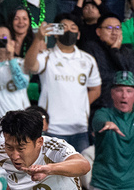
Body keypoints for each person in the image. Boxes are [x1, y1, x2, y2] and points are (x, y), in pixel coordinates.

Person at [23, 15, 100, 151]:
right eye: (63, 27)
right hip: (52, 129)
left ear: (78, 35)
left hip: (79, 129)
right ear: (55, 33)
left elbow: (96, 89)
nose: (68, 31)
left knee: (80, 165)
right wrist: (38, 38)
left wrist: (79, 106)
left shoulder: (88, 60)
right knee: (51, 165)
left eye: (73, 28)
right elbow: (30, 66)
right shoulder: (47, 56)